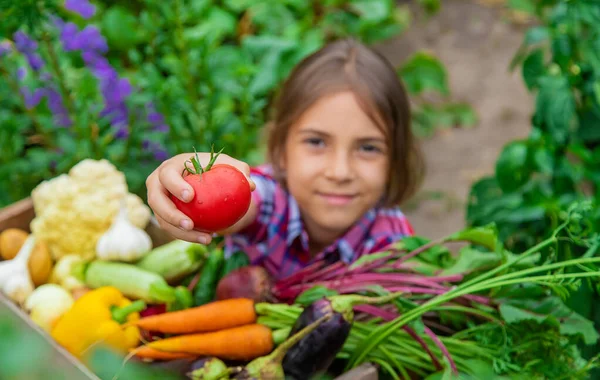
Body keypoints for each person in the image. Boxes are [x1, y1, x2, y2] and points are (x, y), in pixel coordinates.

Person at [145, 38, 424, 280]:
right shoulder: (270, 202)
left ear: (395, 156)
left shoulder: (393, 245)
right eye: (316, 142)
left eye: (368, 148)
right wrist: (186, 192)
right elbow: (239, 207)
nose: (340, 172)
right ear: (281, 148)